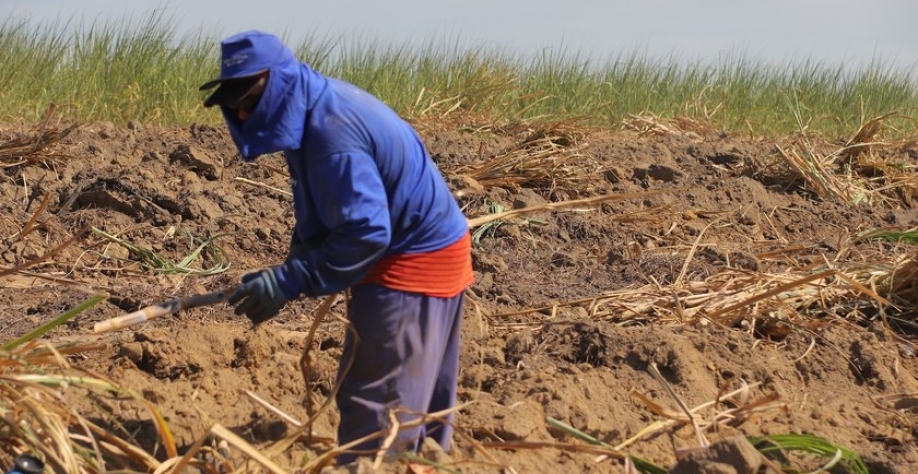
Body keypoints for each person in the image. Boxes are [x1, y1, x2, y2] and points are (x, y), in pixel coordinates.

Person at [199, 31, 474, 464]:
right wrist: (293, 262)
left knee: (380, 414)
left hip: (413, 263)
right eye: (235, 105)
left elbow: (366, 232)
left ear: (280, 80)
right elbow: (328, 208)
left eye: (250, 98)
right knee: (415, 412)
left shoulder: (331, 134)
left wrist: (293, 280)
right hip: (431, 248)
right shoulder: (312, 109)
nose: (244, 112)